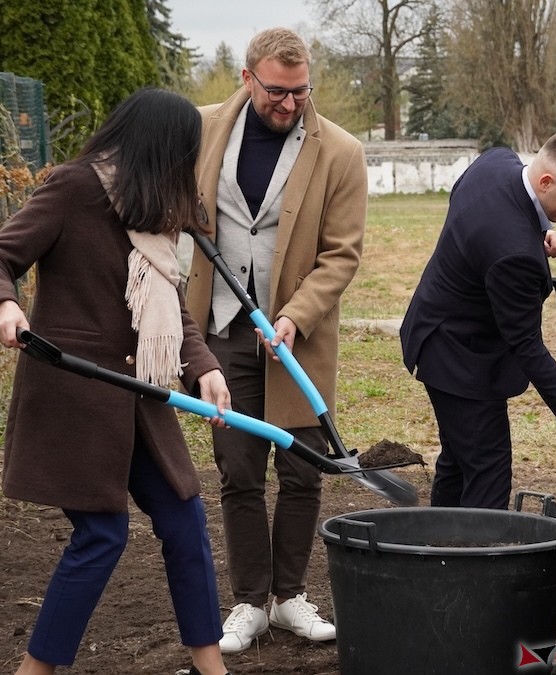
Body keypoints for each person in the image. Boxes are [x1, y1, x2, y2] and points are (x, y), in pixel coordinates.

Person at [0, 88, 230, 675]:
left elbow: (168, 303)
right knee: (102, 535)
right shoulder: (74, 188)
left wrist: (202, 364)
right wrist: (7, 305)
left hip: (139, 398)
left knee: (185, 522)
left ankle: (211, 669)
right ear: (159, 148)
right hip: (74, 396)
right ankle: (35, 671)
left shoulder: (150, 211)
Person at [184, 28, 366, 654]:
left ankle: (289, 598)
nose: (289, 105)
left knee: (301, 470)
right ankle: (248, 602)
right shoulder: (202, 129)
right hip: (223, 329)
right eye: (276, 92)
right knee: (237, 469)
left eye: (299, 92)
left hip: (298, 339)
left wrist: (295, 314)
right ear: (247, 78)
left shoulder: (340, 151)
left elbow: (342, 256)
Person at [400, 129, 556, 509]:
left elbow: (490, 218)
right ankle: (480, 559)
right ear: (546, 182)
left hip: (432, 330)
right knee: (487, 470)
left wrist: (540, 232)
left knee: (458, 459)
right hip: (460, 358)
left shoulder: (495, 162)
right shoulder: (514, 254)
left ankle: (437, 549)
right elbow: (525, 343)